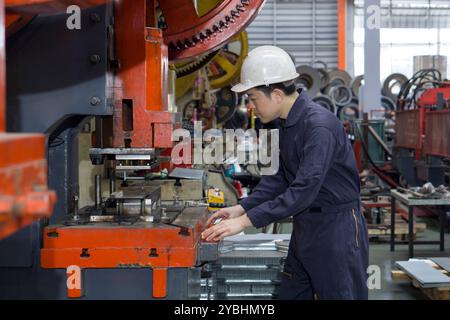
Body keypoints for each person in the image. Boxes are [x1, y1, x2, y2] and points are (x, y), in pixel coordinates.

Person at [201, 45, 369, 300]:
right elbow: (278, 179)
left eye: (253, 99)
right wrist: (242, 208)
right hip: (306, 228)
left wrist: (245, 222)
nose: (251, 108)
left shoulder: (319, 127)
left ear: (277, 94)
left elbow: (303, 190)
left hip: (336, 231)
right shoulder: (282, 125)